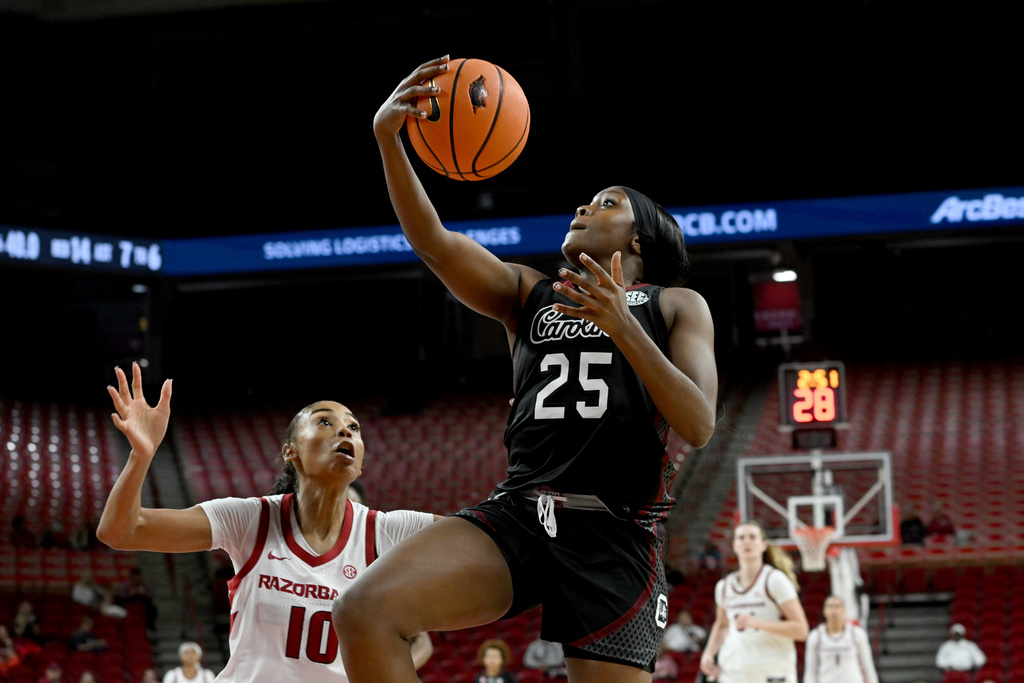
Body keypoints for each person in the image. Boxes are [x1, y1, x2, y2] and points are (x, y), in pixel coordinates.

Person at [332, 55, 718, 683]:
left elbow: (698, 423)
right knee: (362, 609)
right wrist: (388, 141)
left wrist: (623, 325)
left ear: (638, 241)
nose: (584, 207)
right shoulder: (528, 293)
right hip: (521, 514)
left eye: (606, 202)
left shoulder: (675, 305)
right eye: (588, 200)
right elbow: (433, 241)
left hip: (614, 533)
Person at [96, 362, 440, 682]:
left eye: (353, 426)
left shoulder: (389, 531)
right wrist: (140, 456)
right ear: (291, 451)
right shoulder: (251, 518)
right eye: (325, 421)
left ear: (360, 463)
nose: (345, 431)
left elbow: (487, 539)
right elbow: (121, 530)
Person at [700, 521, 809, 683]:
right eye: (741, 537)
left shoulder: (775, 580)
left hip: (772, 671)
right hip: (734, 672)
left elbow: (801, 630)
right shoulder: (724, 586)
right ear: (734, 545)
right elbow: (722, 625)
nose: (746, 541)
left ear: (763, 545)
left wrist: (758, 623)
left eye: (752, 537)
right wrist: (708, 653)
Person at [803, 595, 878, 683]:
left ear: (844, 611)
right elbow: (810, 672)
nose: (834, 610)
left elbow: (868, 667)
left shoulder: (857, 633)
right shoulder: (815, 636)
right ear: (824, 611)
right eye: (830, 607)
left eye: (837, 606)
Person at [115, 567, 158, 633]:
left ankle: (150, 627)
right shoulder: (126, 585)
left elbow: (151, 594)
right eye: (134, 576)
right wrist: (130, 595)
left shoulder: (145, 584)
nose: (136, 578)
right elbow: (120, 595)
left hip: (142, 604)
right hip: (128, 603)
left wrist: (143, 594)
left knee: (152, 609)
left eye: (138, 576)